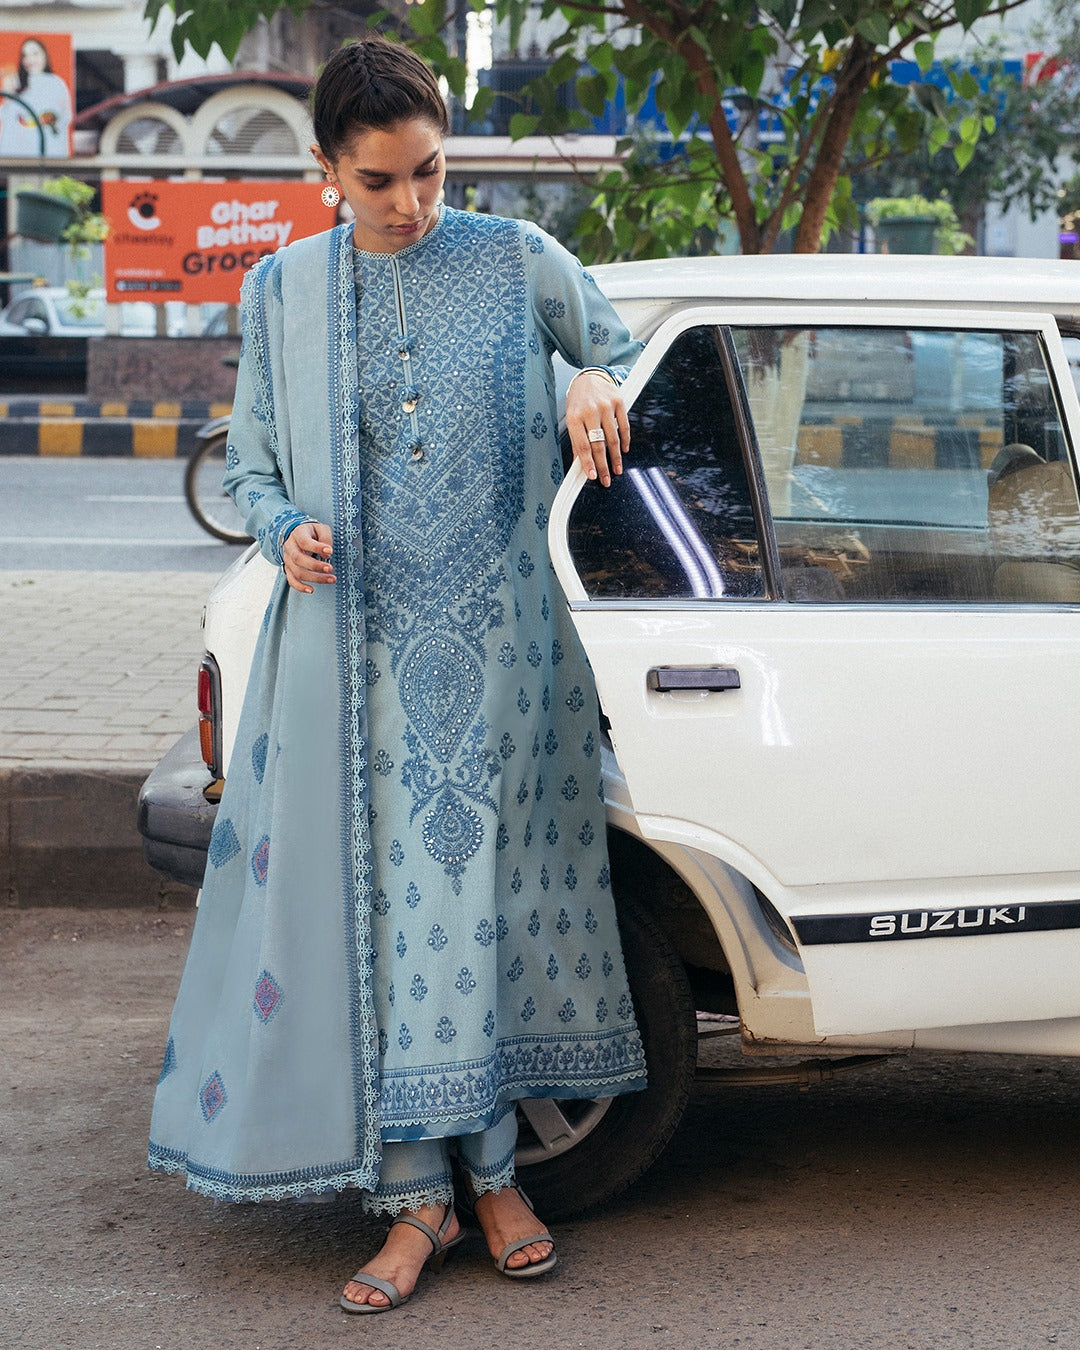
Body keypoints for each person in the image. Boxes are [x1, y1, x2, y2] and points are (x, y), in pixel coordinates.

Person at [148, 36, 648, 1315]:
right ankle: (419, 1201)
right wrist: (280, 530)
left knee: (485, 912)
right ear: (325, 169)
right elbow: (252, 462)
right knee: (378, 930)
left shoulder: (515, 258)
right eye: (377, 180)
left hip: (499, 655)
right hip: (350, 657)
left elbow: (616, 345)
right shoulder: (282, 292)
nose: (411, 201)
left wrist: (589, 375)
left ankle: (498, 1179)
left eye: (429, 170)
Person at [0, 37, 72, 157]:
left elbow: (62, 118)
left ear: (45, 56)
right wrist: (7, 92)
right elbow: (7, 120)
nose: (30, 59)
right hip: (16, 155)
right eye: (25, 55)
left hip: (46, 155)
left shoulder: (56, 83)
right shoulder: (15, 83)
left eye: (35, 53)